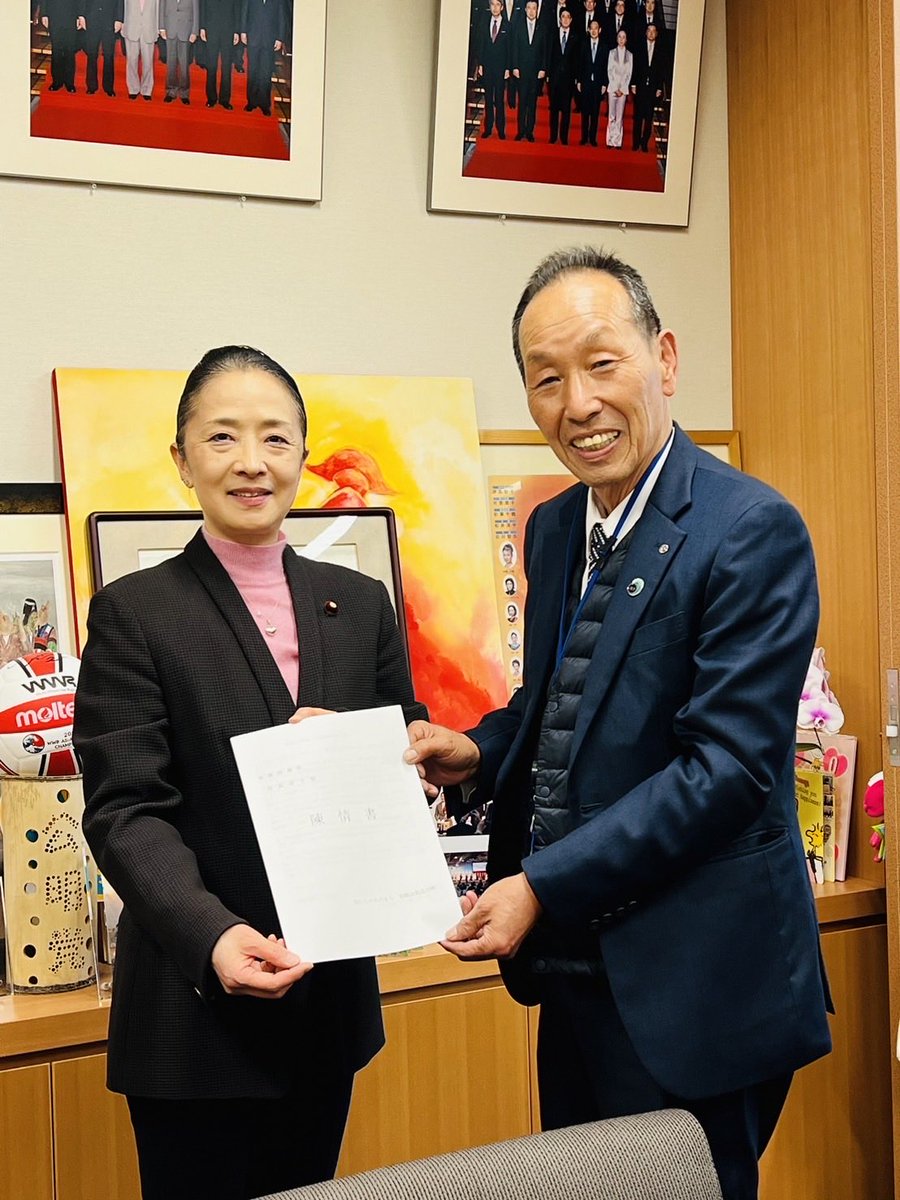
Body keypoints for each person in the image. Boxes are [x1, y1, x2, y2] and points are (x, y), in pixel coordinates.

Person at [405, 248, 832, 1200]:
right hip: (576, 971)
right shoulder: (557, 526)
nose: (579, 403)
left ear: (665, 360)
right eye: (547, 379)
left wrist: (538, 886)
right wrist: (476, 751)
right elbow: (558, 699)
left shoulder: (750, 529)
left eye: (602, 364)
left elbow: (726, 770)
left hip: (698, 986)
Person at [73, 345, 426, 1200]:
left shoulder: (360, 603)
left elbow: (403, 759)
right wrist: (213, 934)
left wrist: (384, 765)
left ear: (303, 455)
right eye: (222, 436)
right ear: (182, 459)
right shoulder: (135, 611)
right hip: (193, 1012)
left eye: (274, 437)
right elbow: (125, 809)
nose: (251, 461)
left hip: (326, 1006)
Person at [240, 0, 287, 116]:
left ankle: (265, 104)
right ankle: (251, 101)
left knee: (266, 72)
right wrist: (243, 32)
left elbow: (282, 17)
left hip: (269, 39)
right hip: (253, 37)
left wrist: (280, 38)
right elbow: (244, 11)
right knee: (253, 70)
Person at [511, 0, 547, 142]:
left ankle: (529, 131)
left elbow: (544, 50)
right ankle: (521, 131)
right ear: (525, 9)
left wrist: (543, 68)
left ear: (537, 10)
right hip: (521, 70)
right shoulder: (518, 26)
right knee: (522, 102)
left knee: (532, 103)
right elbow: (515, 47)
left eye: (534, 8)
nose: (532, 11)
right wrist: (515, 66)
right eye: (529, 8)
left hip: (536, 72)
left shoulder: (542, 27)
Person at [475, 0, 511, 140]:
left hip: (501, 68)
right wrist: (480, 64)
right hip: (487, 67)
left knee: (499, 100)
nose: (495, 8)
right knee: (488, 99)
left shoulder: (507, 25)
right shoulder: (484, 23)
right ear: (489, 7)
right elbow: (481, 45)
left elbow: (509, 48)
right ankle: (488, 128)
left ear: (502, 7)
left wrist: (508, 68)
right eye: (492, 5)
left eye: (497, 5)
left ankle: (501, 129)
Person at [630, 22, 665, 151]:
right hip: (640, 85)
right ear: (646, 33)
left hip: (652, 87)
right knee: (638, 116)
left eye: (653, 31)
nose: (651, 33)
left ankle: (644, 142)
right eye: (649, 30)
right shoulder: (639, 47)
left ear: (656, 34)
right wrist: (633, 83)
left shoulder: (660, 50)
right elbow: (635, 66)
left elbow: (662, 70)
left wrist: (659, 87)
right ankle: (636, 142)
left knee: (649, 117)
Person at [199, 0, 240, 109]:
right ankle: (211, 98)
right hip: (211, 29)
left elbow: (237, 9)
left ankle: (225, 99)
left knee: (226, 67)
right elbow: (203, 7)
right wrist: (202, 27)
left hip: (228, 30)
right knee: (211, 65)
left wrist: (237, 31)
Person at [547, 7, 577, 144]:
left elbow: (577, 59)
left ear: (571, 20)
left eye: (567, 17)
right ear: (560, 19)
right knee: (553, 109)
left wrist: (575, 77)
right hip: (554, 78)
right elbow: (549, 54)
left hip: (568, 79)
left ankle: (564, 137)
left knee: (566, 110)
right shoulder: (553, 34)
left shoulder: (575, 37)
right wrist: (548, 73)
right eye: (563, 16)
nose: (565, 19)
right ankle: (553, 136)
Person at [160, 0, 199, 104]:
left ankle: (184, 93)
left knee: (184, 64)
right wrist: (161, 27)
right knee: (171, 63)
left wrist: (194, 31)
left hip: (186, 29)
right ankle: (170, 91)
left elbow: (196, 10)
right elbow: (161, 7)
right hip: (170, 28)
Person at [121, 0, 160, 100]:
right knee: (132, 61)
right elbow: (124, 8)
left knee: (148, 62)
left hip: (149, 30)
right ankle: (133, 88)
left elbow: (157, 11)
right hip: (131, 29)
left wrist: (157, 30)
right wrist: (123, 27)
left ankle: (146, 90)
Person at [576, 17, 605, 145]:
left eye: (596, 28)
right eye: (591, 28)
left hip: (598, 83)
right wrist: (579, 81)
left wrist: (604, 83)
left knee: (595, 111)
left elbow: (605, 67)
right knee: (585, 111)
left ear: (600, 30)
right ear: (588, 30)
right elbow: (579, 64)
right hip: (586, 82)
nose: (593, 31)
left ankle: (592, 138)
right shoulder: (583, 44)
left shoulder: (604, 46)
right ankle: (584, 137)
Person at [42, 0, 79, 93]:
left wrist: (80, 15)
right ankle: (56, 82)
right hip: (54, 16)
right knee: (56, 51)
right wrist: (44, 13)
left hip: (71, 16)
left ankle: (69, 83)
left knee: (70, 51)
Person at [84, 0, 120, 95]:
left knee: (109, 55)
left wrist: (119, 19)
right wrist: (81, 16)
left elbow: (120, 2)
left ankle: (108, 87)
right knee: (92, 54)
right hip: (92, 19)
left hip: (109, 20)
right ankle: (91, 86)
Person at [605, 26, 631, 148]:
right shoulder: (611, 53)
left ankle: (617, 141)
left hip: (623, 90)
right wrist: (615, 87)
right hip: (612, 88)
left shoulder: (630, 55)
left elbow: (629, 74)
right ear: (616, 38)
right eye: (619, 37)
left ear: (626, 39)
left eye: (623, 37)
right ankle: (610, 140)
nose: (621, 39)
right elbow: (609, 70)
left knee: (620, 116)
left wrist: (622, 88)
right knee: (612, 115)